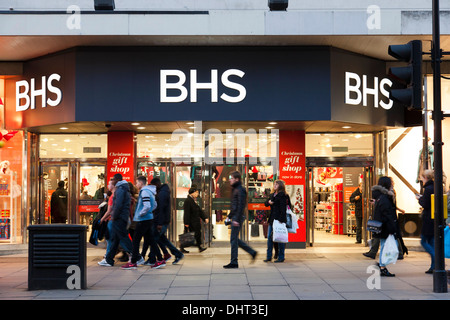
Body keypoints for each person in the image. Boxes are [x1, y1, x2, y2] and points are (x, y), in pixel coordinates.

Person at [122, 175, 162, 270]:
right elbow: (154, 205)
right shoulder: (150, 192)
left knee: (136, 240)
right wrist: (149, 212)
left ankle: (133, 262)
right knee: (151, 240)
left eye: (136, 182)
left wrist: (141, 214)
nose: (136, 184)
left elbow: (147, 205)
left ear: (140, 183)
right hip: (148, 219)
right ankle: (160, 259)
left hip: (143, 219)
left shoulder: (144, 192)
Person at [223, 171, 257, 269]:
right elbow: (234, 205)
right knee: (234, 239)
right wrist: (229, 216)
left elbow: (241, 205)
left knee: (233, 240)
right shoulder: (236, 189)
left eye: (232, 178)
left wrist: (236, 219)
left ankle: (234, 262)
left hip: (238, 218)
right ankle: (252, 252)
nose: (230, 179)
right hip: (235, 217)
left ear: (237, 179)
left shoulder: (240, 190)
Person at [98, 173, 133, 267]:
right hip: (120, 217)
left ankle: (135, 257)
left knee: (122, 238)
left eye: (112, 180)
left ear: (116, 180)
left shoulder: (120, 190)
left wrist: (114, 216)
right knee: (114, 239)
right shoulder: (121, 189)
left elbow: (118, 205)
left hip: (119, 218)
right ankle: (109, 259)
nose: (111, 182)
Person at [151, 178, 184, 265]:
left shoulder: (162, 194)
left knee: (155, 238)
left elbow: (161, 209)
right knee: (162, 239)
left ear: (156, 185)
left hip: (162, 221)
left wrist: (160, 223)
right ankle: (176, 254)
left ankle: (157, 258)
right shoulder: (163, 192)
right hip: (163, 220)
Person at [372, 176, 399, 277]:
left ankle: (382, 265)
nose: (392, 184)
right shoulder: (384, 198)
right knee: (384, 246)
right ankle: (382, 266)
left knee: (384, 245)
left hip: (383, 226)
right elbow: (387, 214)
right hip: (386, 227)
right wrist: (392, 228)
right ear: (387, 185)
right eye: (391, 183)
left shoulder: (380, 197)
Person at [264, 180, 291, 263]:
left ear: (281, 186)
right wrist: (269, 202)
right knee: (269, 237)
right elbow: (266, 203)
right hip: (272, 219)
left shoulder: (283, 195)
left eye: (277, 184)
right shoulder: (272, 195)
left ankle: (281, 256)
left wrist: (282, 220)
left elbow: (284, 208)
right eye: (274, 184)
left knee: (280, 238)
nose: (274, 185)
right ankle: (269, 256)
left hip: (279, 219)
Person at [416, 169, 435, 274]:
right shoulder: (436, 187)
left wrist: (419, 199)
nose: (421, 180)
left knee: (424, 241)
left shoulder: (428, 189)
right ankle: (434, 265)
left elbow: (425, 204)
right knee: (432, 242)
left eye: (422, 178)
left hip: (428, 219)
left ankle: (436, 259)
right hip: (434, 219)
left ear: (426, 178)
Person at [183, 187, 209, 253]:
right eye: (197, 192)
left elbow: (199, 211)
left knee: (197, 234)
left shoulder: (193, 200)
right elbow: (186, 213)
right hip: (191, 222)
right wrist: (186, 223)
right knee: (189, 235)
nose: (197, 194)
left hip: (195, 221)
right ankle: (182, 247)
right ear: (193, 192)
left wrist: (204, 217)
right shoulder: (188, 201)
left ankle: (199, 247)